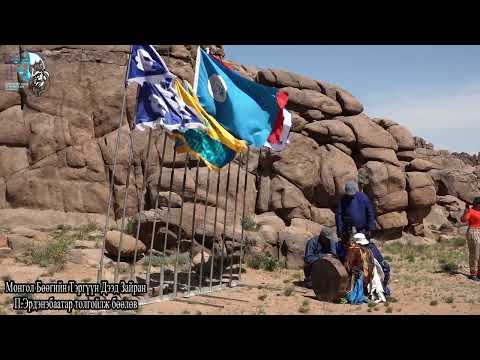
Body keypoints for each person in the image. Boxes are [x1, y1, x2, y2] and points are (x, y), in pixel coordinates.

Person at [351, 233, 391, 297]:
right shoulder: (372, 246)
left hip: (377, 274)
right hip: (384, 272)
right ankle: (383, 290)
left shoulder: (364, 250)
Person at [461, 197, 480, 281]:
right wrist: (466, 211)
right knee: (475, 253)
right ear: (477, 204)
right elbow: (463, 220)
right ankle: (473, 274)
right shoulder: (471, 211)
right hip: (473, 231)